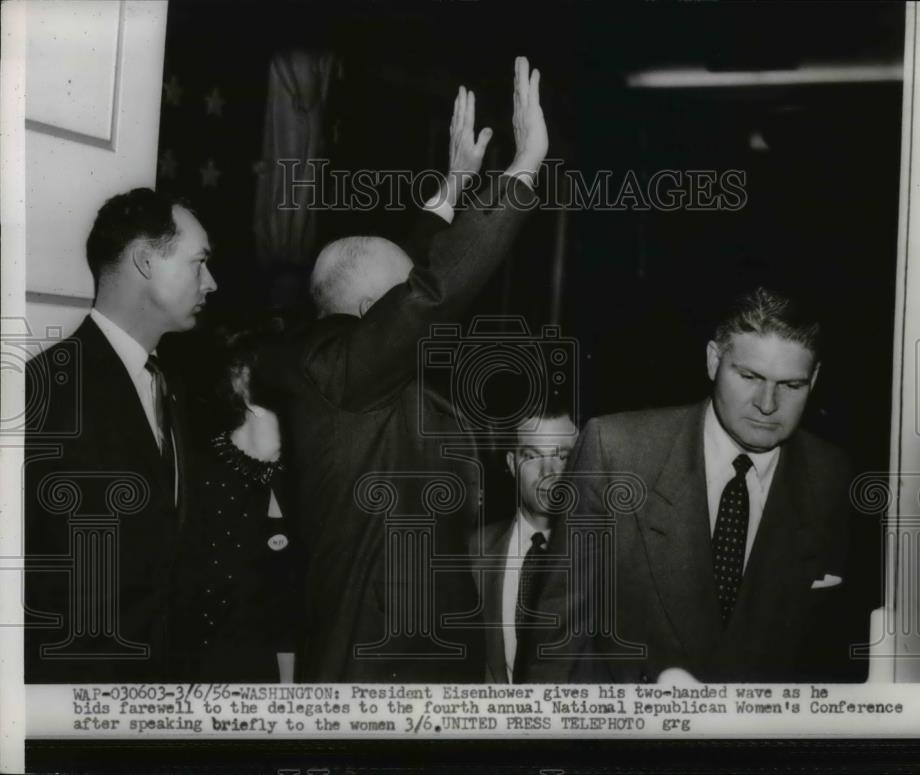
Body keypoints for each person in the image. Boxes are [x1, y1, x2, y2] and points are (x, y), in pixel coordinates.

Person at [258, 57, 548, 682]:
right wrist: (524, 169)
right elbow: (430, 290)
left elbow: (408, 277)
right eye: (395, 308)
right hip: (381, 671)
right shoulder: (339, 367)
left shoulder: (340, 359)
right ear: (372, 315)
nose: (408, 319)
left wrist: (452, 187)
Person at [525, 287, 866, 683]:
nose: (768, 404)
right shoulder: (616, 452)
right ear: (713, 361)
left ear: (816, 378)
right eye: (750, 376)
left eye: (791, 385)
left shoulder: (832, 475)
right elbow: (558, 639)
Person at [24, 189, 217, 682]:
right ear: (145, 261)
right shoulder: (47, 390)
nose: (210, 283)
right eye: (198, 263)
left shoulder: (168, 387)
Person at [171, 315, 302, 683]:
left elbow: (293, 595)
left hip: (291, 668)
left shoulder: (308, 468)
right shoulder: (195, 464)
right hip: (211, 666)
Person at [473, 407, 578, 683]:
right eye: (532, 456)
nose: (548, 472)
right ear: (511, 463)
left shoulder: (606, 555)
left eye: (562, 456)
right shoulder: (474, 551)